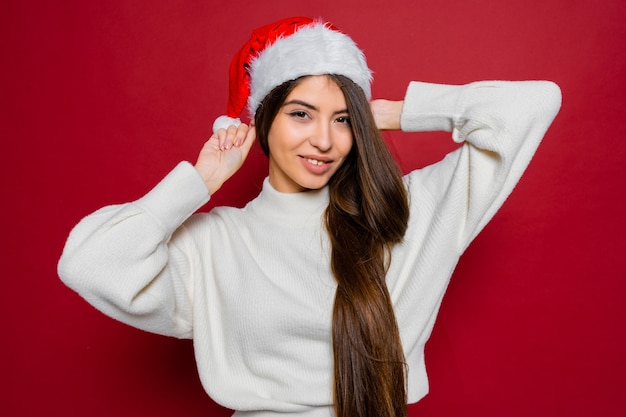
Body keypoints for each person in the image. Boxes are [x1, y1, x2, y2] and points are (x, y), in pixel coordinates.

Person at [58, 16, 561, 417]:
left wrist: (387, 113)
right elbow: (90, 264)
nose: (324, 140)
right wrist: (199, 182)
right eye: (301, 114)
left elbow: (533, 103)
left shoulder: (405, 215)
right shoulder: (215, 244)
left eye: (342, 119)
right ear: (261, 119)